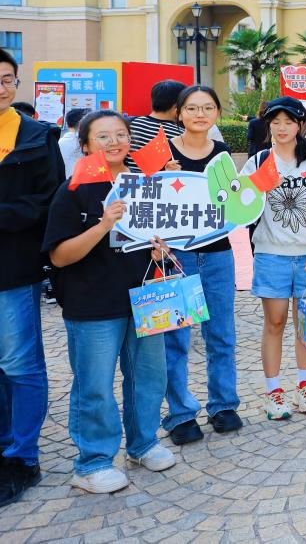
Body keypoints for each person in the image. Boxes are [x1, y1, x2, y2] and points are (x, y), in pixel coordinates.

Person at [42, 110, 176, 494]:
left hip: (144, 298)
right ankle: (92, 462)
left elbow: (156, 239)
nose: (114, 142)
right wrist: (103, 225)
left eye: (121, 134)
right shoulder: (72, 191)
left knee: (149, 377)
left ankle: (143, 443)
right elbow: (59, 256)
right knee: (95, 384)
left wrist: (159, 250)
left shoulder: (144, 184)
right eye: (103, 136)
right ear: (84, 145)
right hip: (92, 304)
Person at [240, 97, 306, 420]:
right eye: (275, 122)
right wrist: (258, 190)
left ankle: (304, 385)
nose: (282, 128)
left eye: (289, 122)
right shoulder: (258, 161)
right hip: (271, 253)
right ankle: (273, 390)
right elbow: (242, 204)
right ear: (268, 125)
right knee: (275, 321)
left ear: (300, 125)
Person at [160, 86, 242, 445]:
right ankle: (179, 414)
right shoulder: (163, 153)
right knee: (175, 337)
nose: (199, 114)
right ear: (180, 113)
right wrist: (163, 177)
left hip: (219, 253)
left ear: (217, 114)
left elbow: (233, 203)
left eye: (208, 107)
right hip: (177, 256)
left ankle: (223, 405)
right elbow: (146, 208)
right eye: (192, 108)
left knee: (221, 334)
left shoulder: (222, 153)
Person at [0, 48, 60, 508]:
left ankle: (22, 457)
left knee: (20, 364)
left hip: (13, 269)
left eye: (7, 79)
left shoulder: (38, 137)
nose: (2, 87)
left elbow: (50, 203)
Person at [125, 80, 186, 173]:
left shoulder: (130, 124)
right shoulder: (181, 134)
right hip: (159, 184)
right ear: (176, 107)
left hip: (127, 181)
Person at [58, 108, 88, 177]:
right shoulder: (89, 141)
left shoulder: (60, 142)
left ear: (67, 124)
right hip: (86, 182)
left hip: (66, 182)